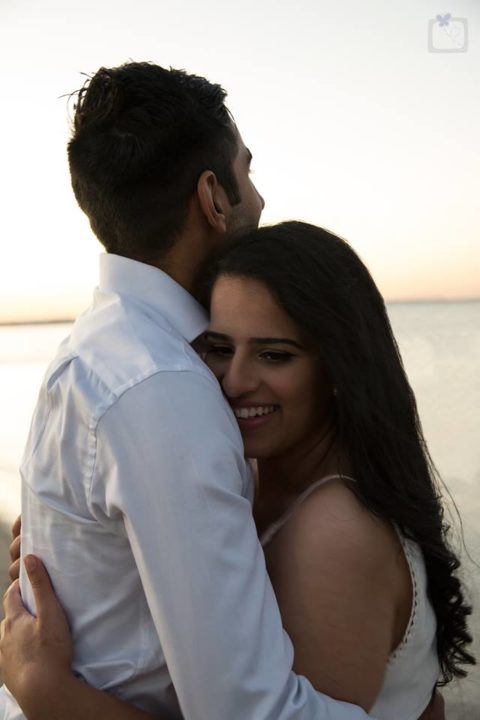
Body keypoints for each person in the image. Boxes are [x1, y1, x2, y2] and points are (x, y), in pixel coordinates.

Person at [0, 60, 377, 720]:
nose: (259, 199)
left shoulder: (101, 346)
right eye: (247, 170)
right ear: (214, 198)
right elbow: (248, 711)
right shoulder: (162, 387)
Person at [2, 223, 471, 718]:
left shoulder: (336, 532)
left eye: (274, 355)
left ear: (338, 369)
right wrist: (82, 554)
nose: (236, 381)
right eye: (220, 349)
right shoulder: (247, 469)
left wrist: (48, 693)